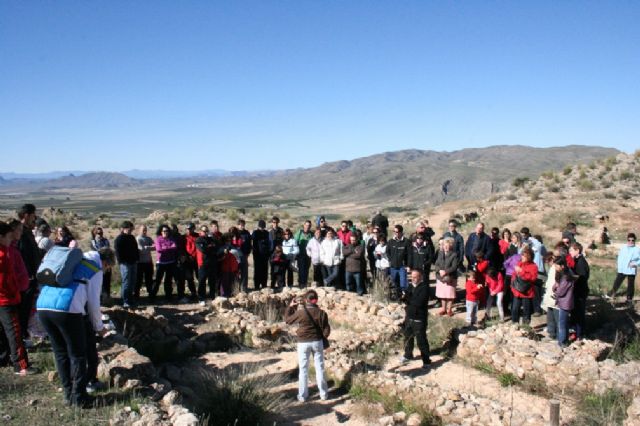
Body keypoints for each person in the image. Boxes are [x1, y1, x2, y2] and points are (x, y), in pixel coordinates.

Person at [36, 247, 112, 407]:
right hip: (67, 309)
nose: (106, 271)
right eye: (108, 267)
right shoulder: (94, 268)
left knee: (60, 353)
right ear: (105, 262)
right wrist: (99, 327)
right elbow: (93, 303)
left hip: (43, 306)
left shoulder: (73, 262)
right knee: (77, 355)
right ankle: (79, 398)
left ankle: (67, 394)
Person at [284, 289, 330, 402]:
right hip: (317, 342)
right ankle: (323, 394)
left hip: (303, 342)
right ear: (316, 300)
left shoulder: (301, 312)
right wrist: (323, 337)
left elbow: (287, 320)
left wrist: (290, 307)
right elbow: (327, 329)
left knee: (303, 369)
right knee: (320, 368)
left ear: (306, 300)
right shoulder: (322, 313)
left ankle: (303, 396)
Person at [0, 221, 32, 376]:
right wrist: (15, 293)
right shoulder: (4, 254)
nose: (10, 239)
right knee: (14, 332)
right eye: (8, 236)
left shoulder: (7, 251)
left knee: (5, 331)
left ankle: (4, 358)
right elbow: (7, 280)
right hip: (7, 299)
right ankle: (20, 365)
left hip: (6, 298)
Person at [17, 204, 41, 341]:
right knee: (23, 310)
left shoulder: (27, 232)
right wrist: (29, 276)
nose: (35, 218)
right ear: (26, 215)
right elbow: (22, 256)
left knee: (27, 310)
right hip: (27, 280)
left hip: (30, 278)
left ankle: (24, 334)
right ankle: (21, 337)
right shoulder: (21, 233)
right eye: (33, 215)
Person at [400, 270, 431, 368]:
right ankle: (408, 355)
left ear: (420, 277)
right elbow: (405, 299)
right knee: (408, 338)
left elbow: (419, 302)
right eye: (411, 277)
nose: (412, 279)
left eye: (415, 277)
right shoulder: (410, 286)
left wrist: (408, 298)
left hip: (419, 318)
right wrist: (403, 297)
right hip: (409, 317)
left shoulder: (424, 288)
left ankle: (426, 361)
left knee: (421, 340)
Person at [606, 233, 640, 307]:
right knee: (617, 282)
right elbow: (620, 258)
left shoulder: (637, 249)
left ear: (635, 240)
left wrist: (636, 263)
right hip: (622, 269)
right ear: (627, 240)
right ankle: (611, 294)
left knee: (630, 285)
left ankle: (629, 299)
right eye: (629, 240)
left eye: (632, 240)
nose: (630, 241)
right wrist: (619, 267)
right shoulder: (623, 247)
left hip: (631, 269)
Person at [114, 221, 139, 308]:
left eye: (131, 228)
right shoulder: (119, 239)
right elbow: (118, 252)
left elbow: (136, 249)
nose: (131, 230)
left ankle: (130, 299)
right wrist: (121, 261)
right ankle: (125, 301)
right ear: (124, 228)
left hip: (133, 262)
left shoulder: (131, 237)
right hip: (125, 264)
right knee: (126, 282)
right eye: (129, 228)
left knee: (132, 281)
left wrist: (136, 259)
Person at [511, 246, 538, 325]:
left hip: (527, 292)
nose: (522, 257)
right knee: (515, 309)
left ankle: (525, 327)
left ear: (529, 257)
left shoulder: (533, 266)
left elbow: (532, 278)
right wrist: (512, 286)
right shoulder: (519, 263)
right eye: (522, 255)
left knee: (526, 311)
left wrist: (522, 271)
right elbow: (514, 275)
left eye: (524, 255)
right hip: (517, 291)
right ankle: (514, 324)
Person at [552, 256, 574, 347]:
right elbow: (556, 286)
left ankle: (562, 342)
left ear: (562, 266)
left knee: (562, 323)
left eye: (557, 266)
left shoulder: (566, 277)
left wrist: (556, 290)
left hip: (565, 303)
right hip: (563, 302)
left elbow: (561, 291)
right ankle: (563, 340)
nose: (555, 268)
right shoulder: (562, 275)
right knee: (563, 322)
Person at [434, 237, 459, 317]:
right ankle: (443, 309)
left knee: (450, 295)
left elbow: (454, 267)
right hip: (440, 277)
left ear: (451, 246)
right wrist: (440, 270)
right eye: (444, 245)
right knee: (442, 294)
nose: (445, 247)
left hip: (450, 277)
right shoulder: (440, 253)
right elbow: (436, 264)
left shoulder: (454, 255)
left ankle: (449, 310)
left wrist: (445, 271)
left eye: (447, 246)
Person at [569, 242, 589, 339]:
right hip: (577, 291)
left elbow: (581, 277)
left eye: (571, 250)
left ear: (577, 251)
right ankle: (575, 332)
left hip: (580, 291)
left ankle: (580, 333)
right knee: (575, 312)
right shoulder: (576, 260)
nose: (570, 252)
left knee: (579, 313)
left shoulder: (581, 262)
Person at [152, 225, 177, 300]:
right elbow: (159, 249)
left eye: (167, 231)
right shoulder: (158, 239)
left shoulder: (171, 238)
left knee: (168, 281)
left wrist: (165, 247)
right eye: (164, 231)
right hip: (161, 263)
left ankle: (168, 296)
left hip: (170, 262)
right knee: (157, 280)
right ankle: (152, 296)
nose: (166, 232)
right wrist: (170, 247)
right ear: (161, 232)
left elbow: (175, 247)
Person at [196, 225, 219, 305]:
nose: (205, 232)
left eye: (206, 231)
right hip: (203, 263)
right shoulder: (198, 240)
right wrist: (210, 247)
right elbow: (203, 249)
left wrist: (209, 247)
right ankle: (201, 298)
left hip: (212, 263)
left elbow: (216, 248)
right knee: (202, 281)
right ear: (200, 232)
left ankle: (212, 297)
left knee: (212, 281)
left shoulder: (211, 239)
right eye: (204, 231)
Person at [388, 225, 410, 296]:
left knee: (403, 283)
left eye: (397, 232)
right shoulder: (391, 241)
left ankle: (405, 297)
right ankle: (397, 296)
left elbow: (409, 255)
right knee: (394, 282)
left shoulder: (406, 241)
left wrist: (408, 265)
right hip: (393, 266)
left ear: (401, 232)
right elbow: (387, 252)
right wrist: (391, 260)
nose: (395, 233)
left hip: (402, 266)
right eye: (394, 231)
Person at [90, 227, 111, 302]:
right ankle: (99, 299)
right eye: (98, 233)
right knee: (99, 282)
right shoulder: (93, 242)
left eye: (101, 233)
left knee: (107, 282)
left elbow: (107, 250)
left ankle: (106, 298)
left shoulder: (105, 241)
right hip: (97, 265)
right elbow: (97, 251)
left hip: (107, 263)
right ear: (94, 234)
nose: (100, 235)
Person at [135, 225, 154, 301]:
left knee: (149, 279)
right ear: (139, 230)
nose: (144, 231)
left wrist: (147, 248)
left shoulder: (148, 238)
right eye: (143, 229)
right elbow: (142, 250)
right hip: (140, 263)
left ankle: (150, 294)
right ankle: (136, 295)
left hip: (148, 262)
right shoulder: (138, 239)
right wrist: (149, 248)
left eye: (145, 229)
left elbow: (156, 246)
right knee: (138, 280)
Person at [181, 223, 199, 301]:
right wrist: (187, 257)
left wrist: (194, 256)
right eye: (188, 229)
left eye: (190, 229)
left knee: (199, 276)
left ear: (193, 228)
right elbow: (182, 248)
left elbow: (198, 248)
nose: (189, 230)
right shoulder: (183, 237)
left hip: (197, 259)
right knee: (189, 277)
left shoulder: (197, 236)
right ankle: (193, 293)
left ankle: (202, 292)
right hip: (188, 260)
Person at [251, 220, 271, 291]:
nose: (262, 228)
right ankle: (256, 286)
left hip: (265, 255)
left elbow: (269, 243)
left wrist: (269, 253)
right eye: (261, 226)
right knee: (257, 270)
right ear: (258, 226)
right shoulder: (255, 233)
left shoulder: (267, 233)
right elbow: (252, 240)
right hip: (257, 255)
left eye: (263, 226)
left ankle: (264, 285)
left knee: (265, 270)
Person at [294, 221, 313, 288]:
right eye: (306, 225)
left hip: (308, 255)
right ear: (304, 225)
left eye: (309, 225)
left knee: (306, 269)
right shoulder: (299, 233)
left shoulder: (311, 234)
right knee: (301, 269)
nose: (307, 226)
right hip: (300, 254)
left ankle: (304, 283)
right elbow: (295, 242)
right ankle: (301, 283)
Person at [235, 220, 252, 292]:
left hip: (244, 255)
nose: (242, 226)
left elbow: (249, 244)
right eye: (240, 225)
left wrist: (248, 254)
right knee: (236, 273)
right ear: (238, 225)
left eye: (243, 225)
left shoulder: (247, 233)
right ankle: (236, 288)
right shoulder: (235, 233)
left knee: (244, 273)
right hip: (236, 256)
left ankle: (244, 289)